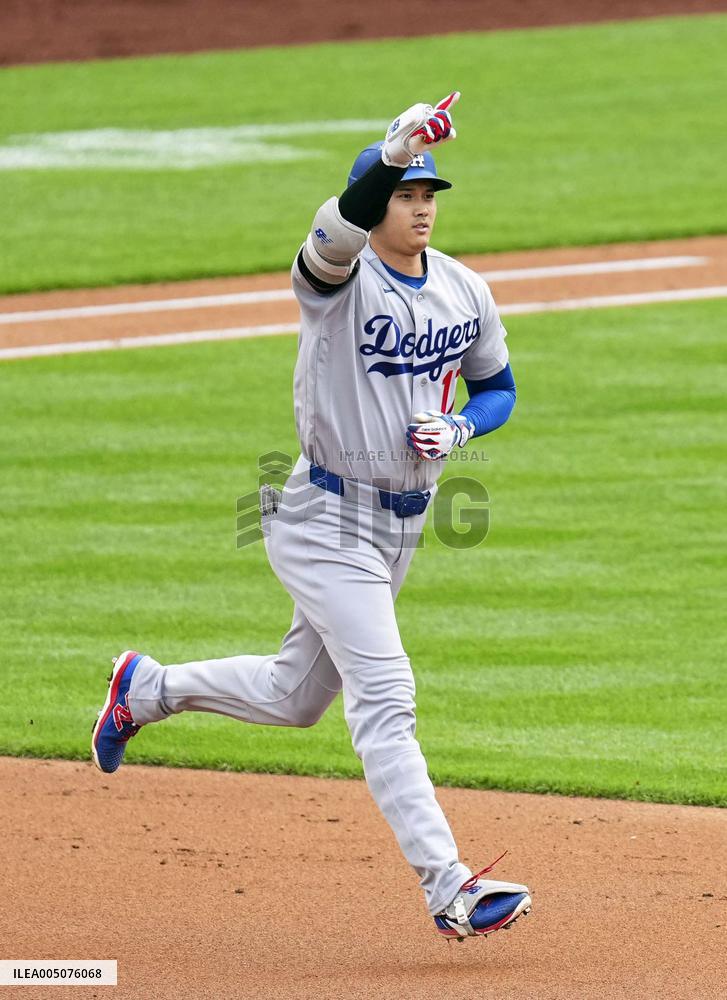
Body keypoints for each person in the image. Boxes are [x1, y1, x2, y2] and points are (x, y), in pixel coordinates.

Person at [91, 92, 532, 941]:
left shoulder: (464, 288)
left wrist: (465, 425)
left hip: (403, 525)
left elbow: (500, 387)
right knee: (386, 696)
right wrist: (390, 151)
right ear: (379, 205)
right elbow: (350, 208)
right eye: (407, 194)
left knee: (295, 698)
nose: (420, 208)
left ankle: (146, 689)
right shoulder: (332, 278)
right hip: (322, 517)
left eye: (429, 195)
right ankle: (451, 887)